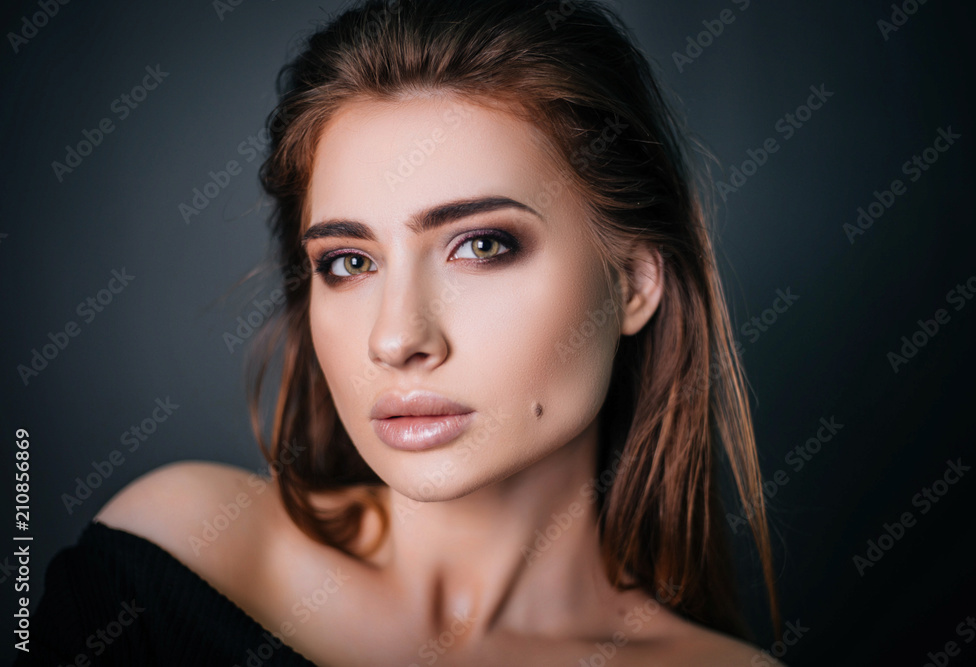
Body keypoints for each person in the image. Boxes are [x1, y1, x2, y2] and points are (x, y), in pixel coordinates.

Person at [19, 1, 786, 664]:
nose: (396, 338)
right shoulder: (170, 559)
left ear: (633, 284)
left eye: (482, 245)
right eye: (349, 261)